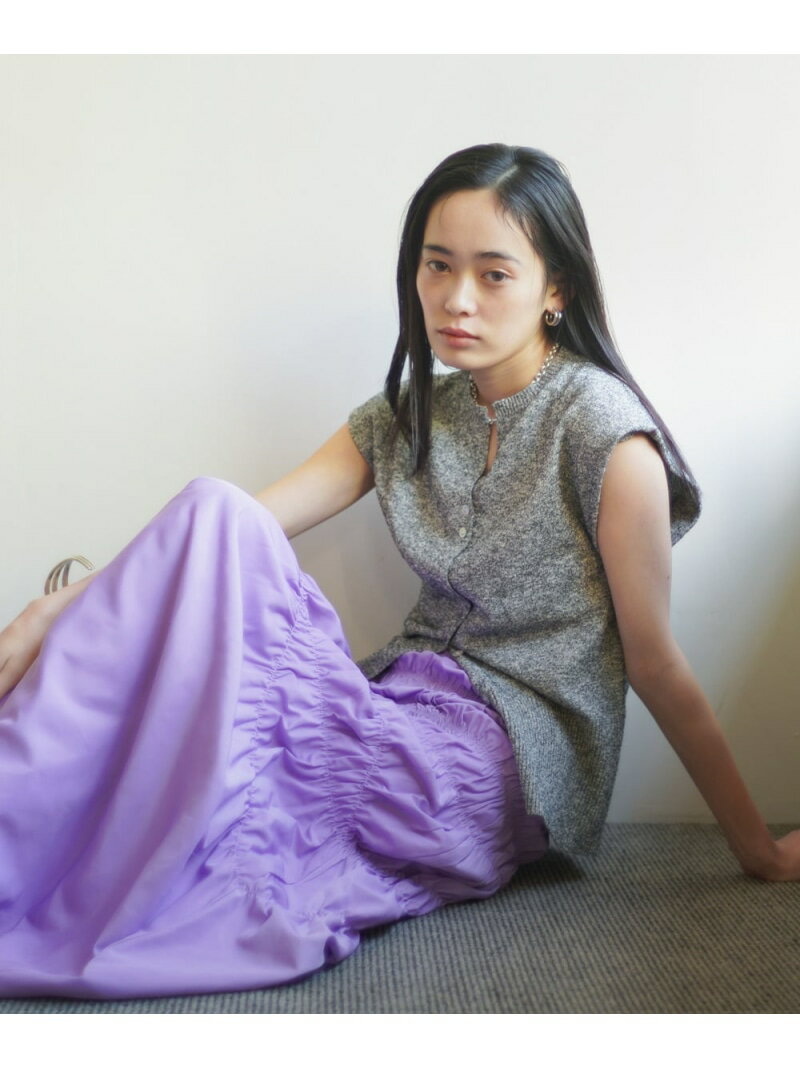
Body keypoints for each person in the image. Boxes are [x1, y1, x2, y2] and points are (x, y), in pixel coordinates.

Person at [0, 144, 798, 1000]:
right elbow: (235, 529)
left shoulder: (608, 434)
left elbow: (656, 665)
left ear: (555, 289)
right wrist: (62, 611)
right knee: (210, 531)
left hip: (505, 753)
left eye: (494, 274)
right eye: (437, 265)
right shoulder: (407, 414)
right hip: (398, 703)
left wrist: (757, 849)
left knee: (208, 704)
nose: (456, 298)